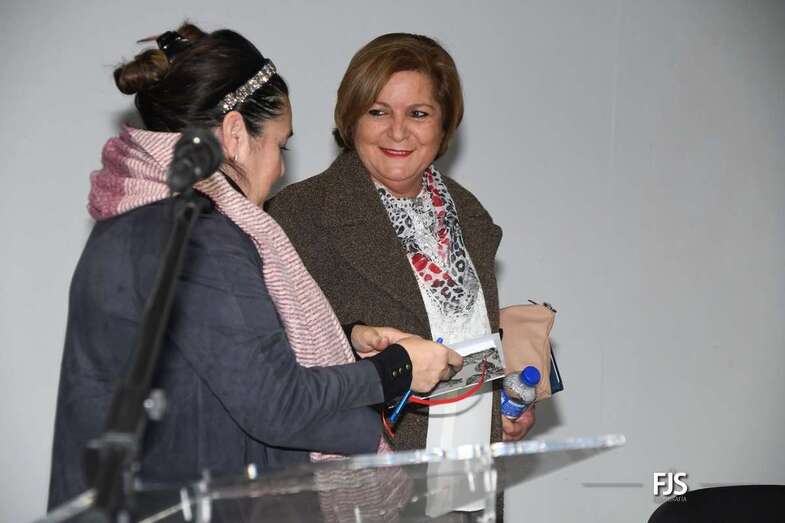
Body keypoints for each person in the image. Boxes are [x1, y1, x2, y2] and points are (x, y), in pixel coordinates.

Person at [47, 24, 462, 510]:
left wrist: (347, 339)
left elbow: (221, 363)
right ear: (234, 134)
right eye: (280, 145)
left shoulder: (140, 215)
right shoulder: (198, 235)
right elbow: (276, 404)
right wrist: (396, 369)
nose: (281, 168)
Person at [267, 33, 536, 452]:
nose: (397, 131)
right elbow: (274, 357)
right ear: (351, 119)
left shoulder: (468, 213)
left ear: (443, 125)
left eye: (418, 113)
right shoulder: (299, 212)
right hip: (362, 467)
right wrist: (356, 340)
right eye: (378, 112)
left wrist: (500, 404)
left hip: (470, 462)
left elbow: (465, 340)